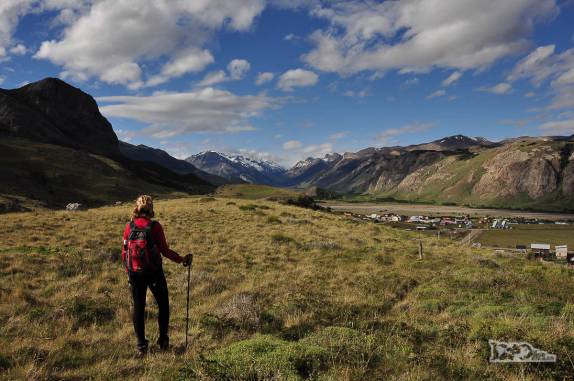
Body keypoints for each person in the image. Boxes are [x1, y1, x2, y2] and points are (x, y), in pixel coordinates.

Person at [121, 195, 192, 355]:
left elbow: (124, 252)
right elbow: (165, 251)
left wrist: (129, 272)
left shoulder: (129, 226)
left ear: (136, 207)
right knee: (163, 305)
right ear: (151, 208)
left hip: (135, 273)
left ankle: (141, 346)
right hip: (153, 272)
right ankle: (163, 340)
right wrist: (181, 259)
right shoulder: (154, 227)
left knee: (138, 308)